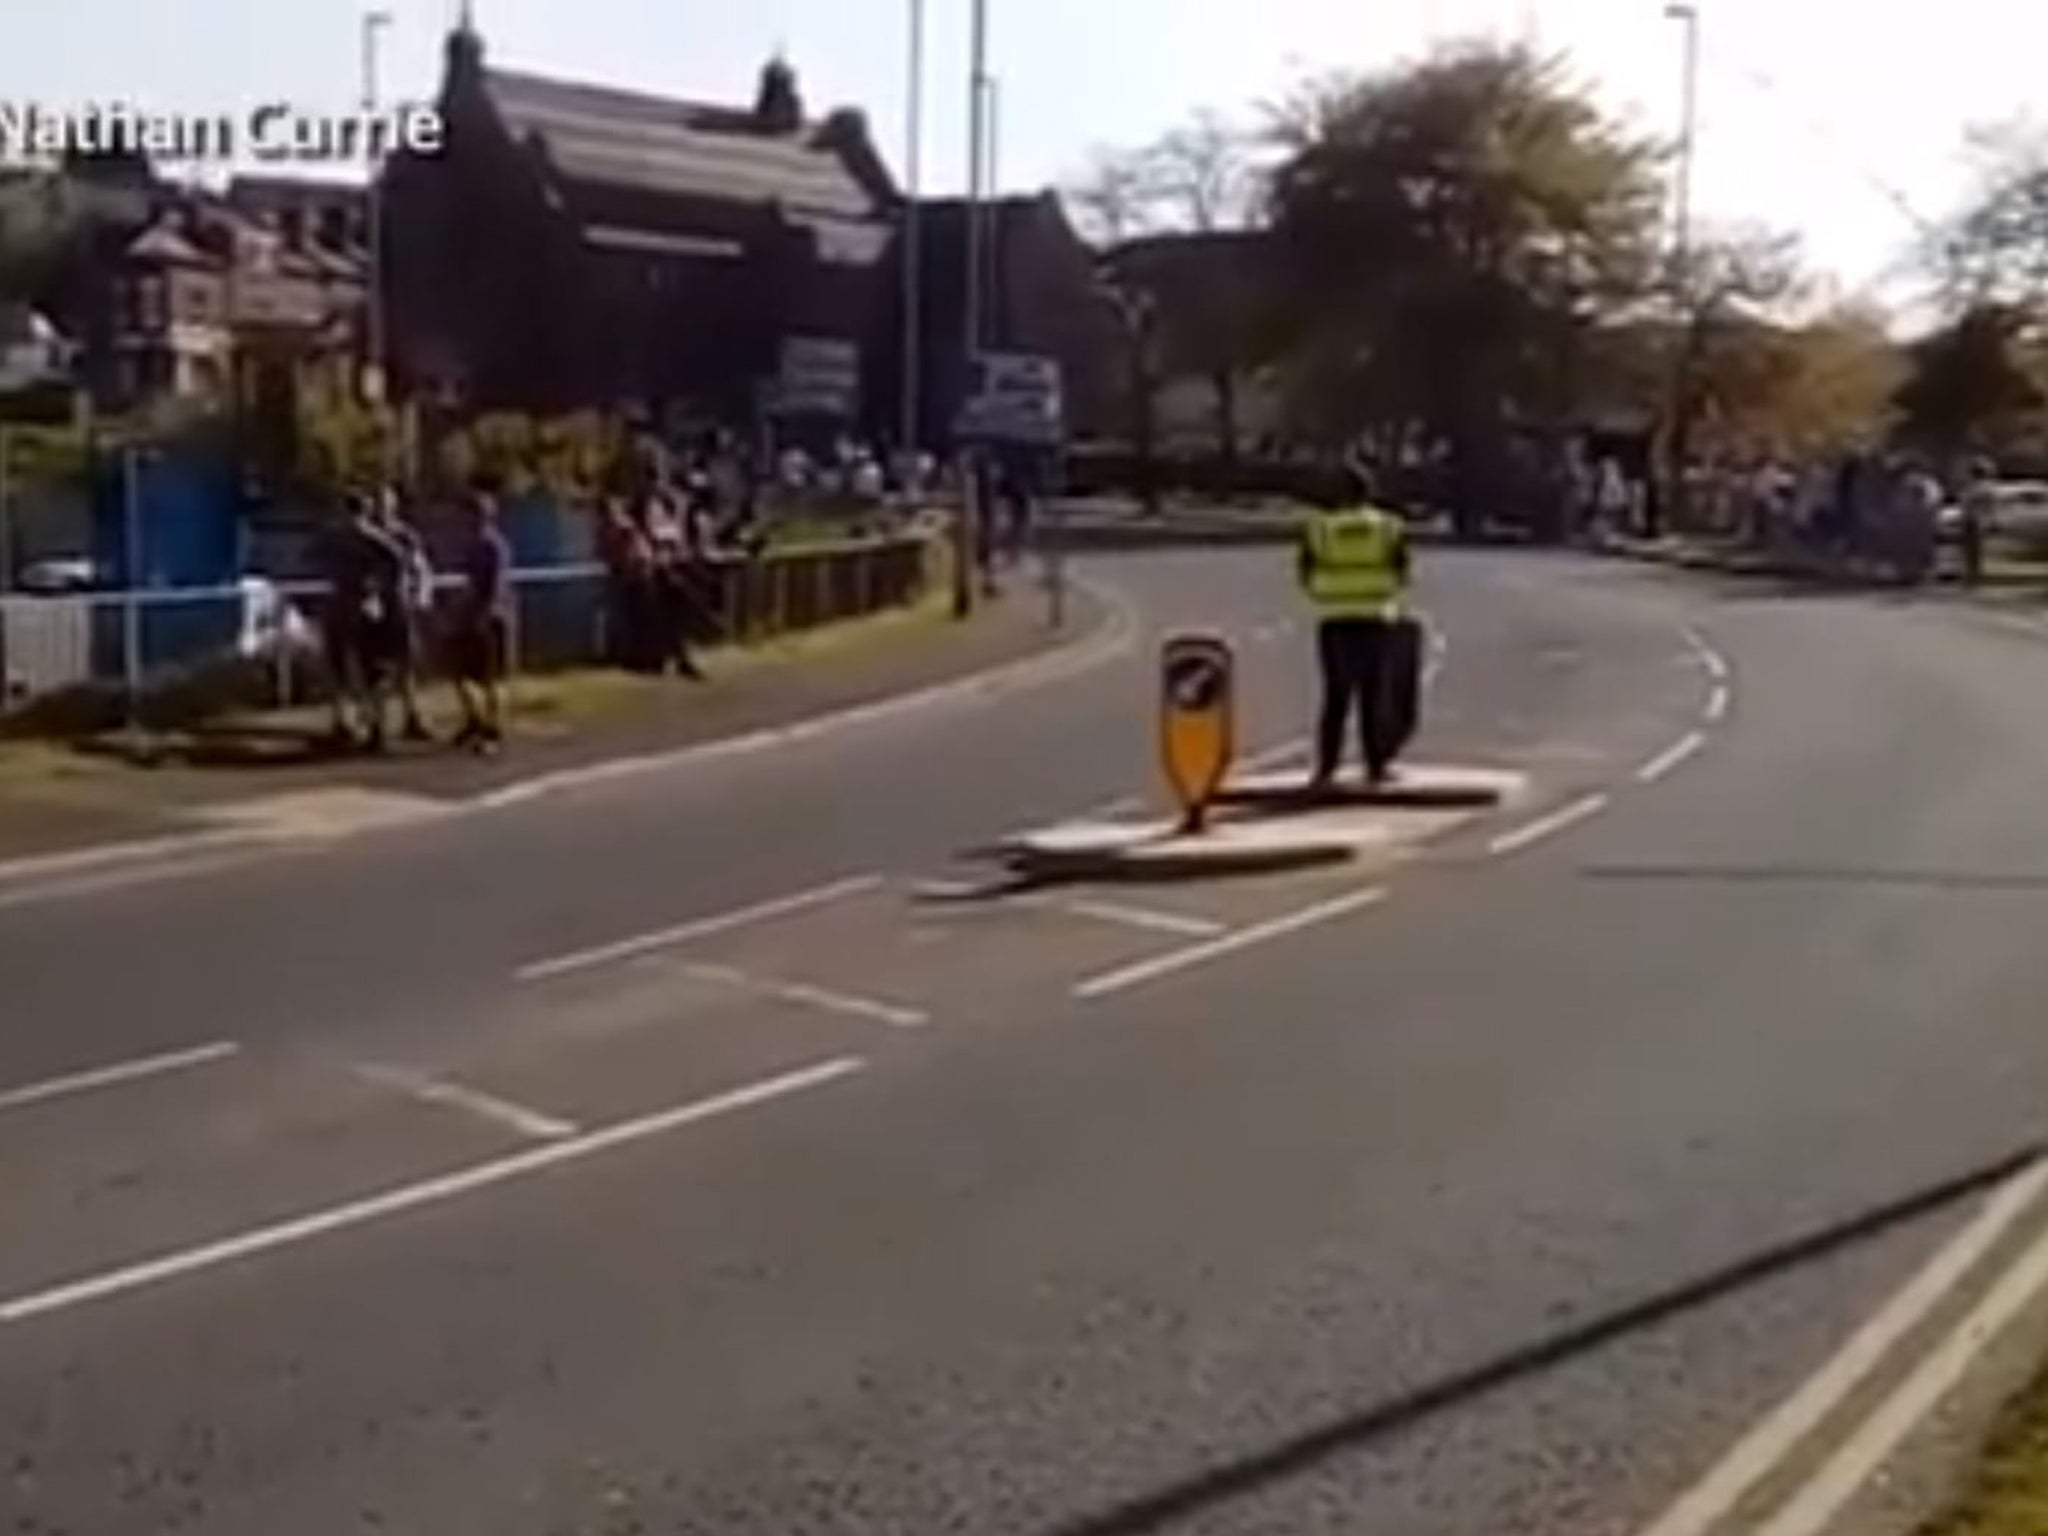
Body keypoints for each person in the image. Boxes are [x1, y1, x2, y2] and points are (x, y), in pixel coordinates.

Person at [1299, 461, 1415, 791]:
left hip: (1334, 618)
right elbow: (1402, 569)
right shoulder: (1387, 526)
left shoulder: (1319, 528)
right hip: (1376, 616)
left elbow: (1305, 572)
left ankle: (1326, 769)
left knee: (1336, 697)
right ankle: (1375, 766)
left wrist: (1328, 592)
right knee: (1373, 695)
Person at [449, 489, 512, 754]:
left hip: (492, 617)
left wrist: (486, 614)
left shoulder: (494, 545)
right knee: (460, 673)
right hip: (471, 616)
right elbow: (470, 583)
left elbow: (496, 585)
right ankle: (474, 720)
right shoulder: (471, 545)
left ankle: (493, 730)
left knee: (491, 678)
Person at [372, 487, 434, 743]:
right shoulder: (366, 537)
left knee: (405, 665)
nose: (380, 509)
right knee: (377, 670)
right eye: (376, 504)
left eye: (385, 504)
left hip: (400, 606)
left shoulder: (404, 536)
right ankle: (378, 723)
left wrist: (421, 596)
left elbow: (421, 569)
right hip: (375, 611)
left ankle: (412, 716)